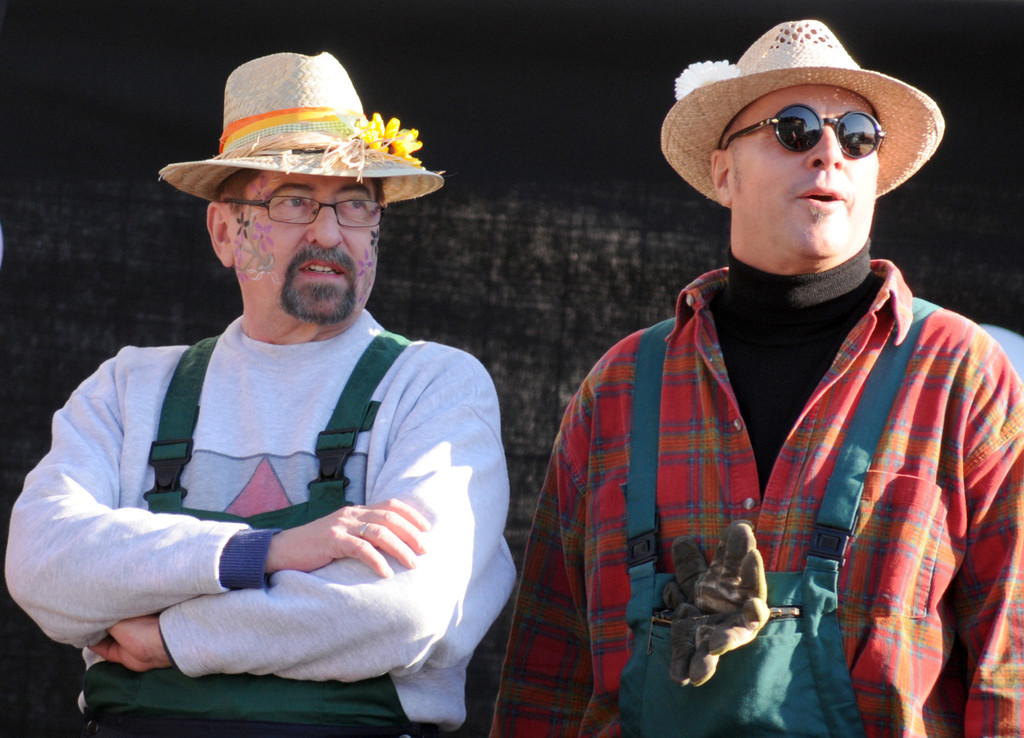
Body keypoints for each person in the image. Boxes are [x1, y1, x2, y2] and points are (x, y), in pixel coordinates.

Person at [491, 19, 1024, 737]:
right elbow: (546, 677)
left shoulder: (959, 372)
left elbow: (1012, 662)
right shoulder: (620, 387)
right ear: (723, 173)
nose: (830, 152)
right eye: (794, 128)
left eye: (858, 135)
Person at [6, 51, 515, 737]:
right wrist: (265, 552)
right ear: (224, 231)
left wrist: (171, 640)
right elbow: (42, 564)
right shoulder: (129, 388)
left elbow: (402, 610)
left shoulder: (433, 386)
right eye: (293, 200)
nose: (329, 232)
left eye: (354, 203)